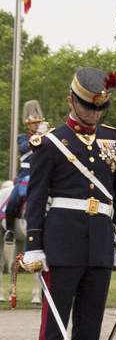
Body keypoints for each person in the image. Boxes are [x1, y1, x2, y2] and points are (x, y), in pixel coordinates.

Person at [21, 69, 116, 340]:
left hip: (99, 242)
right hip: (61, 242)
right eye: (87, 106)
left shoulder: (114, 141)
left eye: (100, 108)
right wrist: (34, 245)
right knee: (55, 326)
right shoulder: (50, 143)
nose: (94, 113)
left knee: (89, 325)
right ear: (71, 101)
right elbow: (36, 199)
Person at [7, 99, 50, 245]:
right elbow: (26, 147)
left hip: (43, 176)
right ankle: (10, 230)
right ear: (28, 125)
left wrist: (48, 135)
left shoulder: (45, 138)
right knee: (13, 200)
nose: (37, 125)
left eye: (39, 123)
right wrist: (39, 134)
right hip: (25, 176)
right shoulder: (22, 138)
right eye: (34, 123)